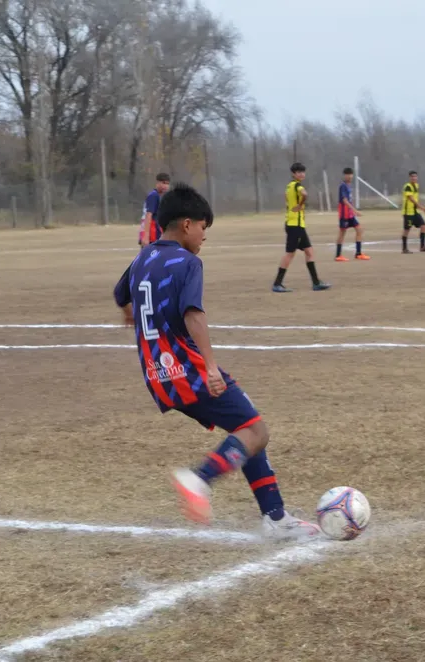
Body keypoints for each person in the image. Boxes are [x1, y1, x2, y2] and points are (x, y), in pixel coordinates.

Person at [112, 183, 321, 541]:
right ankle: (201, 479)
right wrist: (210, 368)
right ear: (188, 224)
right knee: (256, 431)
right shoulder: (188, 262)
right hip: (188, 370)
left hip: (158, 374)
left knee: (246, 427)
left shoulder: (143, 257)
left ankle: (275, 516)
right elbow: (193, 313)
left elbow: (121, 295)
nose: (204, 237)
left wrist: (132, 314)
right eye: (204, 228)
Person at [272, 162, 331, 293]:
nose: (302, 174)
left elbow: (288, 199)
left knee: (309, 252)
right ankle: (277, 283)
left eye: (303, 172)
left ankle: (316, 283)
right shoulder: (297, 186)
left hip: (297, 225)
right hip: (295, 225)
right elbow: (304, 194)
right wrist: (300, 204)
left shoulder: (289, 186)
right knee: (290, 254)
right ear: (293, 174)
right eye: (299, 172)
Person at [335, 167, 369, 261]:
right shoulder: (343, 186)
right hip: (344, 214)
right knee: (342, 233)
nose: (349, 176)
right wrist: (355, 210)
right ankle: (338, 255)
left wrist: (352, 212)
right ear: (344, 175)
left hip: (350, 215)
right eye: (347, 174)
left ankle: (358, 253)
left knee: (359, 230)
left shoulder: (349, 186)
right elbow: (344, 200)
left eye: (351, 174)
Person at [401, 171, 425, 253]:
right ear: (409, 178)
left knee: (423, 226)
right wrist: (421, 206)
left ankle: (422, 247)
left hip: (414, 211)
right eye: (412, 176)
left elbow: (415, 198)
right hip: (408, 212)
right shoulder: (407, 186)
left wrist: (418, 207)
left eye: (415, 176)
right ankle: (404, 249)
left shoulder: (416, 186)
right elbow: (410, 198)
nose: (414, 178)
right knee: (407, 230)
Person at [139, 172, 171, 247]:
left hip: (155, 234)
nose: (165, 186)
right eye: (163, 183)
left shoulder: (158, 196)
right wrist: (146, 236)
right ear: (157, 182)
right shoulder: (154, 196)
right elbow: (148, 215)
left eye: (167, 184)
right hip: (151, 236)